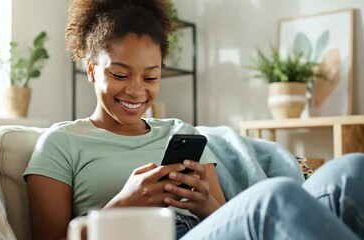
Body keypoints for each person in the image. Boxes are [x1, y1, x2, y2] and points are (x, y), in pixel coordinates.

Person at [23, 0, 364, 239]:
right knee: (274, 198)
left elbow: (230, 220)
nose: (136, 91)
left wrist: (205, 204)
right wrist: (124, 204)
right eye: (120, 74)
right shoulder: (60, 143)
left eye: (151, 77)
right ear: (92, 70)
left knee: (350, 170)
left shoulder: (179, 132)